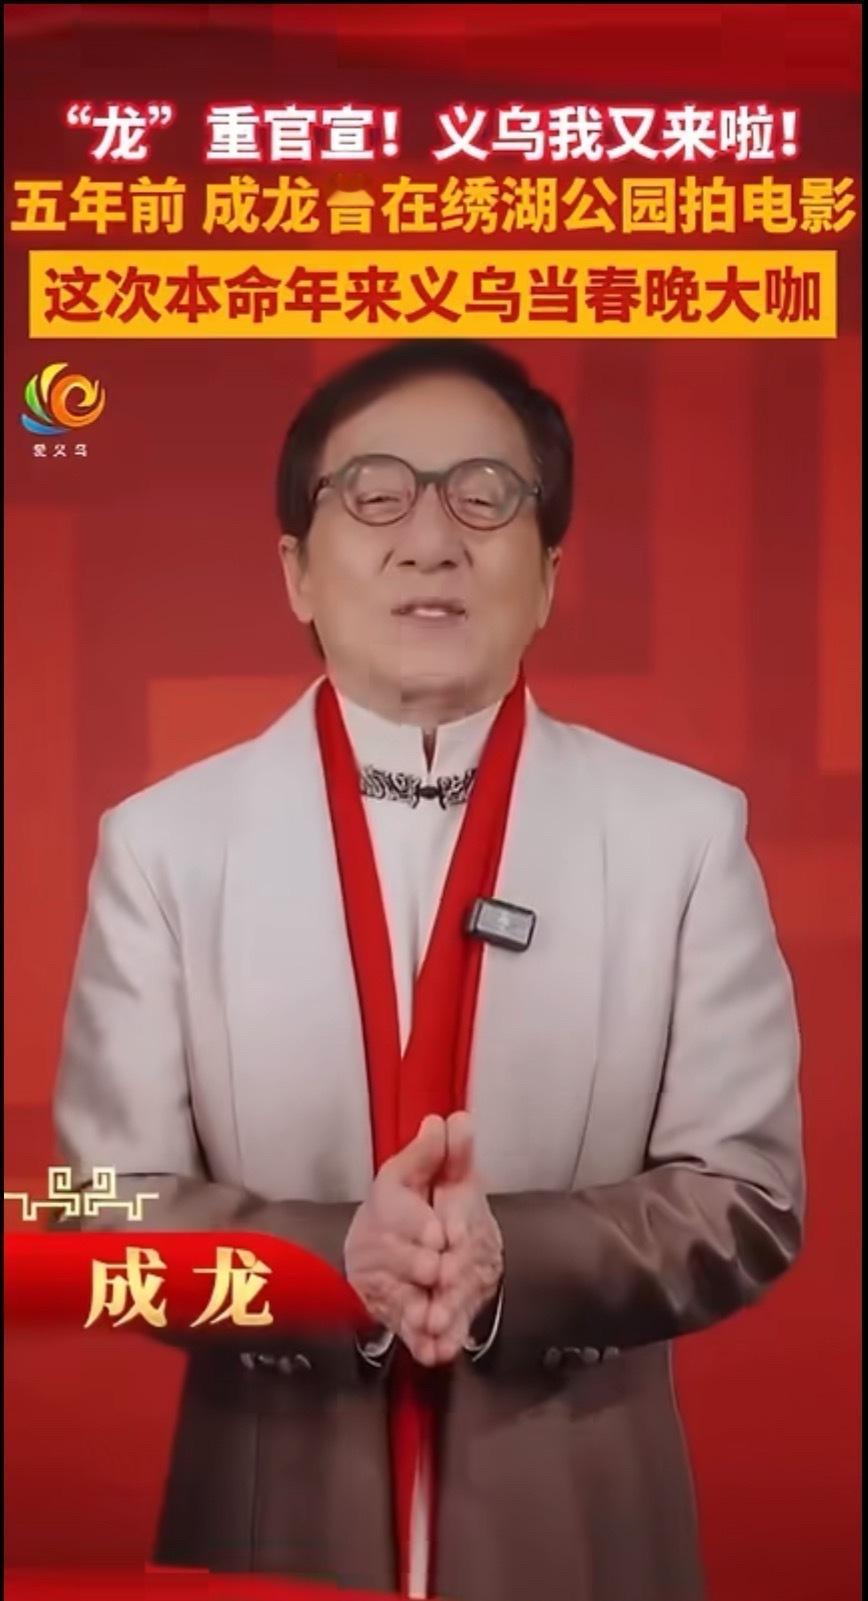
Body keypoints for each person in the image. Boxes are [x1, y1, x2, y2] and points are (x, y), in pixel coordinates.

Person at [54, 339, 805, 1601]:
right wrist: (324, 1263)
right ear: (297, 569)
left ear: (548, 573)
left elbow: (748, 1194)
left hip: (583, 1528)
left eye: (484, 495)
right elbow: (97, 1211)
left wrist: (513, 1256)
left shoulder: (682, 834)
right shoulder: (162, 845)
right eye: (375, 494)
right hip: (262, 1516)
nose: (430, 538)